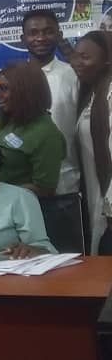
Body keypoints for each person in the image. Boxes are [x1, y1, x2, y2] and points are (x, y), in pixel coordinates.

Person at [22, 10, 79, 195]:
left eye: (48, 31)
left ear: (59, 35)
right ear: (23, 38)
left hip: (67, 179)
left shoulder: (73, 75)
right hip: (23, 182)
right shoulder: (14, 78)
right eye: (33, 33)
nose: (41, 38)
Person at [0, 61, 65, 198]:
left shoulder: (46, 134)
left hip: (23, 212)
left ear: (25, 91)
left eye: (4, 89)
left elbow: (45, 189)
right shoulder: (8, 121)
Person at [71, 31, 112, 254]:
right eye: (75, 56)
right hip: (95, 194)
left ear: (107, 60)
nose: (77, 63)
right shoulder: (93, 93)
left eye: (85, 57)